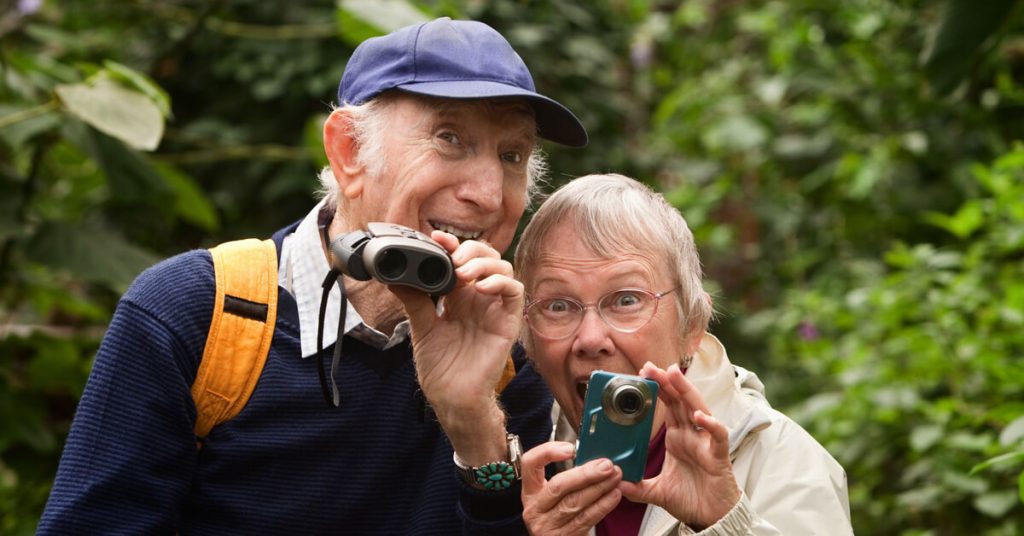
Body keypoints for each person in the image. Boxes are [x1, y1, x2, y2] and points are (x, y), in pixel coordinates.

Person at [37, 17, 587, 535]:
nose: (488, 195)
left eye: (512, 155)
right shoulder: (197, 315)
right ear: (349, 153)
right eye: (450, 138)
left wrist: (473, 423)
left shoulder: (511, 359)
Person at [513, 174, 852, 535]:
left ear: (691, 327)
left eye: (627, 300)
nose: (591, 338)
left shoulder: (784, 461)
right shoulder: (528, 452)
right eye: (558, 305)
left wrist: (724, 522)